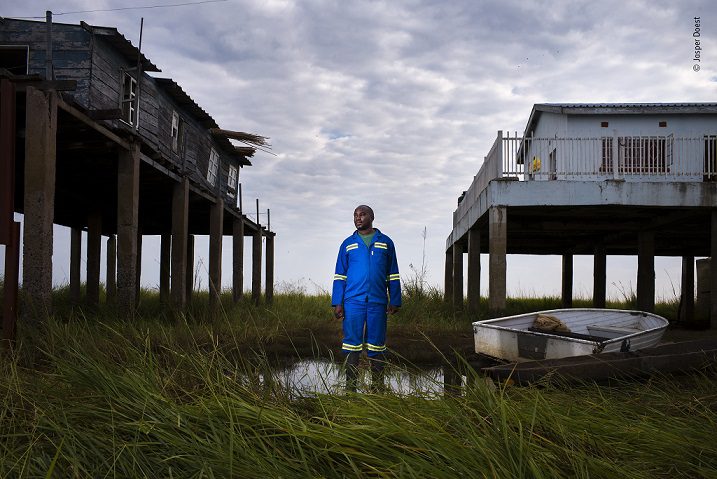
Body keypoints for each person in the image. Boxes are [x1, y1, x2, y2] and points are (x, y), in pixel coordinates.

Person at [331, 205, 401, 392]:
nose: (358, 218)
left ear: (372, 217)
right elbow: (340, 275)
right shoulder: (347, 244)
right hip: (352, 301)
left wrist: (395, 298)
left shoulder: (385, 242)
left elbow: (392, 274)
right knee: (351, 344)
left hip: (377, 302)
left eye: (362, 214)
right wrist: (338, 302)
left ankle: (377, 388)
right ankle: (350, 389)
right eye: (355, 215)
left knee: (377, 345)